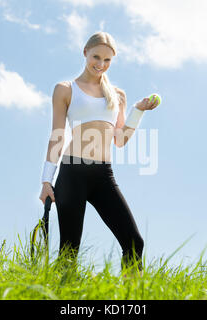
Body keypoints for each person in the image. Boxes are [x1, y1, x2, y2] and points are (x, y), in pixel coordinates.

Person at [39, 31, 160, 275]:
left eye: (107, 60)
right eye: (96, 57)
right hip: (72, 172)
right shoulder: (65, 89)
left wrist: (139, 110)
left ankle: (131, 298)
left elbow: (120, 140)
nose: (101, 64)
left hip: (103, 175)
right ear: (85, 52)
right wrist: (46, 180)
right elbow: (57, 136)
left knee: (134, 243)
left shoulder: (117, 96)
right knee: (69, 252)